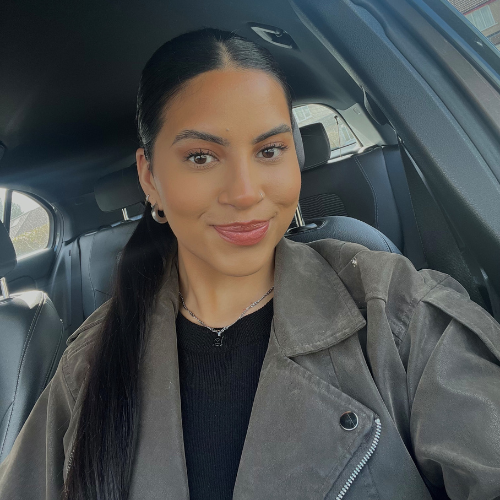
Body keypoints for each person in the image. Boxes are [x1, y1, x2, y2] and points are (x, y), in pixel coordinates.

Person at [1, 28, 500, 500]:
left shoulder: (395, 313)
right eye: (201, 157)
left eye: (270, 150)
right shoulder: (87, 367)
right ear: (150, 178)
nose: (244, 193)